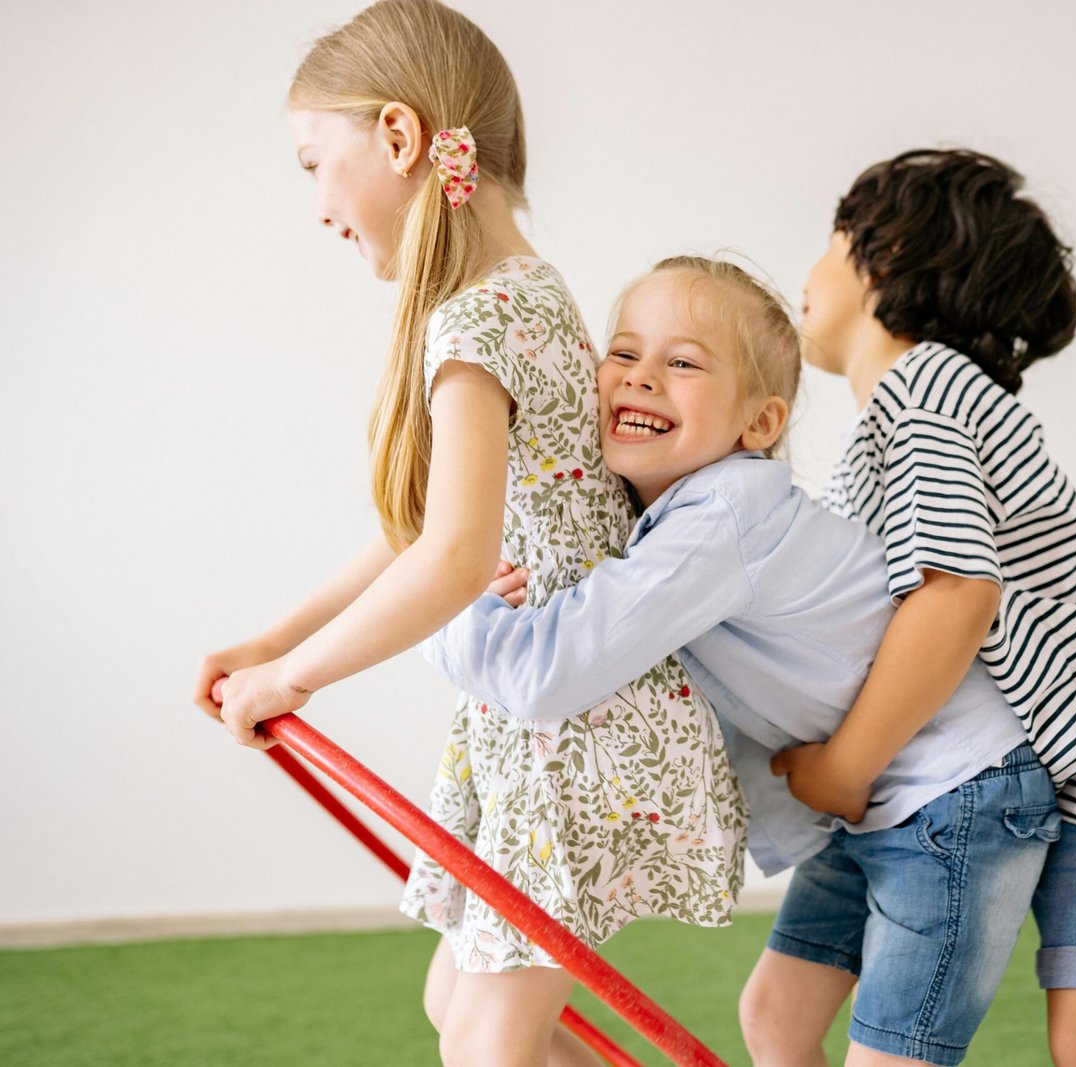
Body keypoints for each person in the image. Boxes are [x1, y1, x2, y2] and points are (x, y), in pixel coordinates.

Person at [189, 4, 744, 1064]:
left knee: (487, 1042)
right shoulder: (527, 289)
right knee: (467, 1004)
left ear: (400, 139)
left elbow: (449, 559)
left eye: (316, 162)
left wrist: (297, 675)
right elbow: (421, 529)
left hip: (568, 734)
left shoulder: (473, 321)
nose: (315, 205)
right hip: (564, 718)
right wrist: (272, 642)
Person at [423, 254, 1061, 1067]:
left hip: (958, 793)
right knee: (773, 1015)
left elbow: (547, 672)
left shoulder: (724, 511)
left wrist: (456, 608)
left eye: (682, 362)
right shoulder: (676, 511)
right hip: (875, 798)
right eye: (623, 353)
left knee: (894, 1054)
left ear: (758, 425)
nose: (642, 377)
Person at [775, 148, 1076, 1067]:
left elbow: (956, 598)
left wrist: (845, 768)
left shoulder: (928, 395)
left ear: (883, 255)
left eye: (826, 245)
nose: (807, 278)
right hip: (1026, 766)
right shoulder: (898, 418)